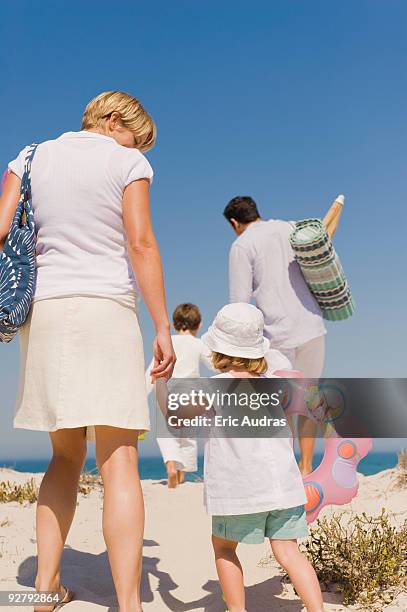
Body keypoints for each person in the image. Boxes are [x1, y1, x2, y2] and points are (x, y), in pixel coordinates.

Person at [0, 91, 176, 612]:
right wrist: (163, 324)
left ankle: (42, 590)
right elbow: (140, 243)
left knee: (63, 455)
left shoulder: (29, 157)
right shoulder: (126, 162)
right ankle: (129, 604)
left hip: (48, 312)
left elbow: (3, 227)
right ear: (116, 121)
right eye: (135, 135)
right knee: (120, 459)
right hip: (106, 310)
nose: (137, 146)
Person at [201, 303, 325, 612]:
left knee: (224, 547)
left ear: (218, 350)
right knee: (288, 551)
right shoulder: (278, 386)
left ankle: (238, 610)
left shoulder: (212, 388)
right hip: (283, 487)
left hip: (240, 489)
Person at [224, 196, 326, 475]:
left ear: (234, 223)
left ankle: (288, 470)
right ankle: (306, 468)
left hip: (277, 333)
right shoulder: (287, 227)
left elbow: (239, 302)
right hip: (312, 324)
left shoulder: (241, 245)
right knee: (309, 398)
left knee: (280, 405)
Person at [145, 303, 212, 487]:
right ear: (198, 325)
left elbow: (153, 369)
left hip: (169, 393)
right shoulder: (199, 344)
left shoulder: (167, 342)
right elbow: (214, 364)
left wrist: (143, 395)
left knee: (167, 433)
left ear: (174, 325)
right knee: (187, 436)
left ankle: (171, 465)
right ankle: (181, 476)